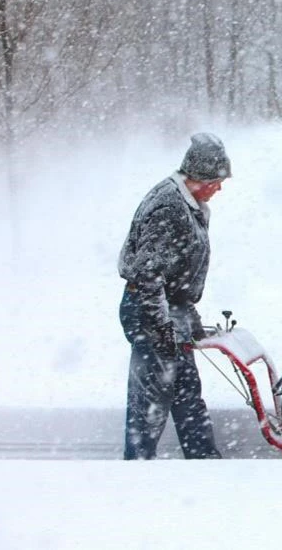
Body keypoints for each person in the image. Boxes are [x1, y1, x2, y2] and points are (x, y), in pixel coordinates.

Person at [117, 133, 231, 460]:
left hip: (169, 310)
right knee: (151, 401)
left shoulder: (189, 205)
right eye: (218, 180)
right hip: (149, 309)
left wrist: (190, 323)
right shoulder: (169, 206)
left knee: (186, 393)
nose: (220, 188)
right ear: (201, 176)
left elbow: (177, 279)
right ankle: (137, 467)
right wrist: (164, 330)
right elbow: (148, 274)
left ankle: (204, 461)